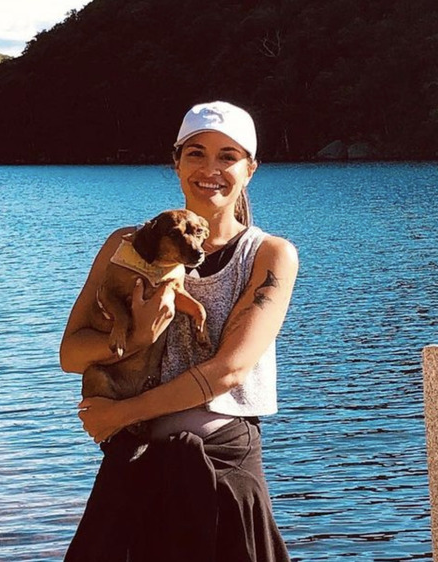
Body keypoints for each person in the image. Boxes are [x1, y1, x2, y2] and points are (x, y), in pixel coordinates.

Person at [60, 101, 298, 561]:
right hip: (135, 463)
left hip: (221, 466)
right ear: (176, 163)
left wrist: (121, 413)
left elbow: (228, 371)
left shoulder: (268, 255)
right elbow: (71, 355)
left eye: (228, 156)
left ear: (250, 169)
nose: (211, 168)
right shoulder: (126, 246)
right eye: (196, 153)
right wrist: (135, 339)